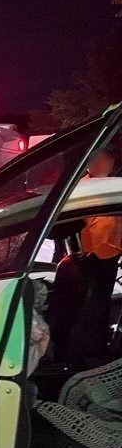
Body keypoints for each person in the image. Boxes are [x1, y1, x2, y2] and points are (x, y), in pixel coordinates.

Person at [79, 147, 121, 353]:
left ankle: (99, 342)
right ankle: (90, 347)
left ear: (112, 163)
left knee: (101, 302)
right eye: (96, 160)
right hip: (86, 256)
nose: (101, 164)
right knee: (90, 304)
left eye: (105, 160)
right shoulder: (82, 187)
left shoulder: (113, 187)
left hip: (110, 254)